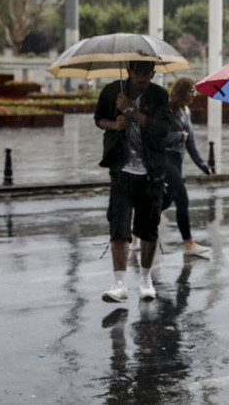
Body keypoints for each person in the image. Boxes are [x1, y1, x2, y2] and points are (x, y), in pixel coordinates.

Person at [94, 60, 172, 303]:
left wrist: (132, 112)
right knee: (118, 225)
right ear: (128, 71)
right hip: (121, 171)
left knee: (148, 229)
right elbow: (98, 119)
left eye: (146, 75)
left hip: (151, 173)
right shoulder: (111, 91)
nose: (141, 79)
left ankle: (146, 279)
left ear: (152, 73)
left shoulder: (159, 96)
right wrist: (115, 124)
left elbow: (162, 130)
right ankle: (119, 283)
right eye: (137, 74)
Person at [162, 77, 212, 257]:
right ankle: (188, 243)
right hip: (165, 158)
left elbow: (190, 140)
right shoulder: (167, 110)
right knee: (182, 198)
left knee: (166, 200)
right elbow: (159, 136)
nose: (195, 94)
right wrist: (178, 136)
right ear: (182, 92)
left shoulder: (186, 111)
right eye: (192, 91)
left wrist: (203, 165)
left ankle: (139, 224)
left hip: (177, 160)